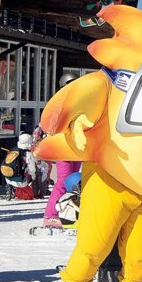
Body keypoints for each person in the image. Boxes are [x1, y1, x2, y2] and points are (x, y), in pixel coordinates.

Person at [43, 73, 82, 228]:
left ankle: (68, 211)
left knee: (74, 181)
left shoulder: (79, 101)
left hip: (76, 146)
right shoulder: (59, 102)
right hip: (63, 145)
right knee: (62, 180)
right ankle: (50, 215)